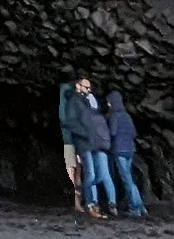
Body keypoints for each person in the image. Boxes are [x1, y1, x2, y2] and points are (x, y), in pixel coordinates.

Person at [59, 75, 115, 216]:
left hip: (92, 143)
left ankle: (88, 198)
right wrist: (86, 134)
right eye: (86, 87)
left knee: (98, 174)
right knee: (90, 174)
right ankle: (89, 202)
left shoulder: (87, 102)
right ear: (78, 86)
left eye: (90, 87)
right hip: (83, 143)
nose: (89, 89)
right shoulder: (74, 102)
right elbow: (70, 123)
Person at [103, 89, 147, 217]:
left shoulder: (115, 116)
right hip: (130, 150)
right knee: (130, 178)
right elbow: (134, 133)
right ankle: (140, 206)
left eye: (109, 102)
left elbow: (113, 132)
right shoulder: (127, 115)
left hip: (119, 150)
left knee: (126, 179)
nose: (108, 105)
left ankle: (134, 208)